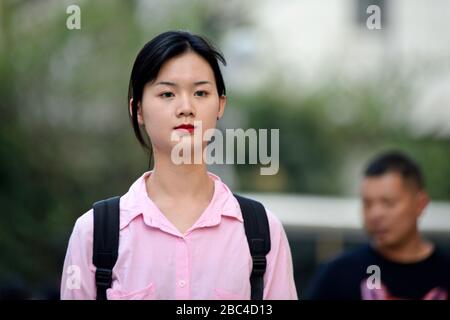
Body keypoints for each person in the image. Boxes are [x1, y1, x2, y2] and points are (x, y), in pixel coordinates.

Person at [60, 30, 297, 300]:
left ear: (220, 105)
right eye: (167, 94)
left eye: (200, 92)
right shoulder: (94, 234)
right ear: (137, 109)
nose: (186, 107)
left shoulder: (262, 233)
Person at [307, 151, 450, 300]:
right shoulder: (337, 275)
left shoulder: (445, 272)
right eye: (367, 204)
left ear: (421, 204)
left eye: (388, 203)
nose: (375, 214)